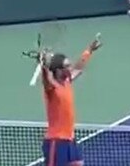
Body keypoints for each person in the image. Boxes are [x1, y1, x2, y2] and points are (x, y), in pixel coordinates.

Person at [39, 36, 102, 166]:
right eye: (67, 66)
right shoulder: (52, 88)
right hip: (56, 142)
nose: (70, 67)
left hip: (70, 140)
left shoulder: (67, 82)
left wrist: (89, 50)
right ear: (58, 70)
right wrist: (44, 66)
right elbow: (46, 80)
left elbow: (78, 68)